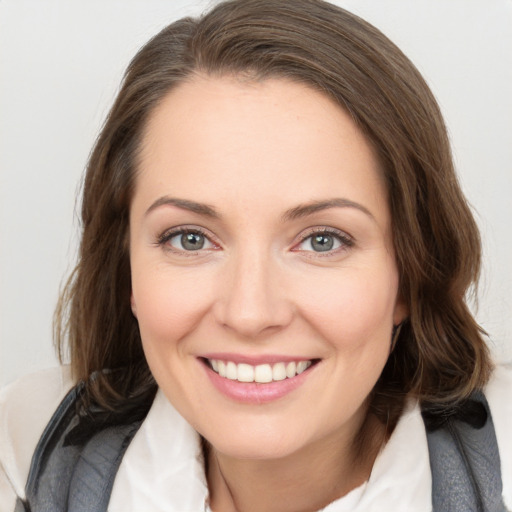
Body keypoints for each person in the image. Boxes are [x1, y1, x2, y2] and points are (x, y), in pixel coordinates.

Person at [1, 0, 511, 510]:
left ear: (411, 273)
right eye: (190, 238)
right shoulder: (28, 451)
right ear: (126, 266)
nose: (249, 313)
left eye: (322, 240)